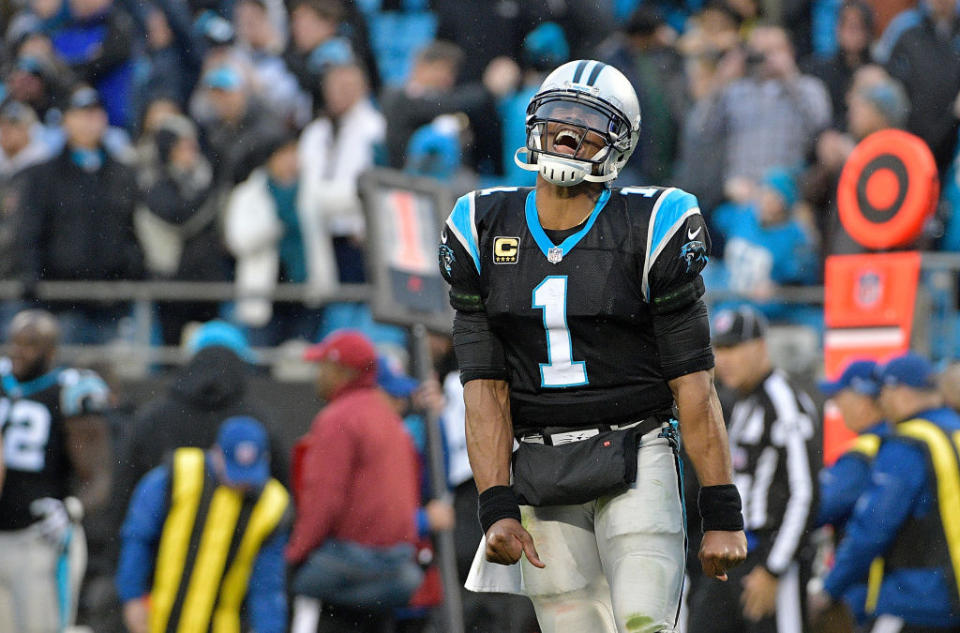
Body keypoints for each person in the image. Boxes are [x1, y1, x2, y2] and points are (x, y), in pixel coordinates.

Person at [438, 59, 747, 633]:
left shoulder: (653, 223)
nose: (566, 133)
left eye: (588, 123)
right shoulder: (481, 225)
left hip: (637, 450)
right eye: (558, 117)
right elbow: (484, 390)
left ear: (620, 143)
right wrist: (496, 505)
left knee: (642, 623)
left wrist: (721, 511)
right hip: (539, 462)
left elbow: (694, 385)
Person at [687, 305, 820, 633]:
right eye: (718, 349)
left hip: (767, 558)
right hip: (731, 557)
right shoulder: (742, 402)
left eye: (733, 348)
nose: (723, 359)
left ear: (760, 347)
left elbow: (804, 493)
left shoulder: (783, 403)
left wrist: (774, 570)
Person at [812, 353, 960, 632]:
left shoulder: (906, 445)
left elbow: (874, 526)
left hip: (916, 600)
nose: (880, 401)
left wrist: (829, 590)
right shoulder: (953, 431)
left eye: (884, 392)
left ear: (901, 392)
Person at [287, 330, 422, 631]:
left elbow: (324, 501)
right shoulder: (390, 419)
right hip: (396, 567)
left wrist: (295, 555)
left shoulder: (336, 419)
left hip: (351, 565)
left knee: (283, 576)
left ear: (340, 370)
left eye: (322, 366)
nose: (317, 374)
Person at [116, 416, 290, 633]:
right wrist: (131, 596)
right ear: (216, 453)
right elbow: (138, 538)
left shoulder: (271, 505)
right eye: (234, 470)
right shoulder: (175, 477)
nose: (241, 483)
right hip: (156, 618)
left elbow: (267, 585)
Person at [0, 309, 113, 633]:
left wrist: (71, 509)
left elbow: (99, 475)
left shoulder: (70, 390)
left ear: (50, 352)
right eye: (15, 342)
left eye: (30, 344)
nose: (18, 351)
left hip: (37, 539)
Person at [115, 319, 289, 514]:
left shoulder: (151, 418)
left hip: (161, 541)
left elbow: (123, 491)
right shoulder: (259, 421)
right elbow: (282, 494)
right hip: (242, 541)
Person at [17, 85, 144, 344]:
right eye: (81, 114)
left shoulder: (122, 174)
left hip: (111, 304)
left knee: (109, 379)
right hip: (60, 303)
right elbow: (28, 232)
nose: (89, 123)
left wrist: (129, 275)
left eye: (95, 114)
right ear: (66, 120)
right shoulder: (43, 176)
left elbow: (134, 232)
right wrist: (37, 286)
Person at [814, 358, 889, 626]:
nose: (837, 406)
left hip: (867, 590)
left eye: (840, 396)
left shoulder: (863, 455)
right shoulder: (903, 443)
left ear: (863, 400)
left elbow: (817, 508)